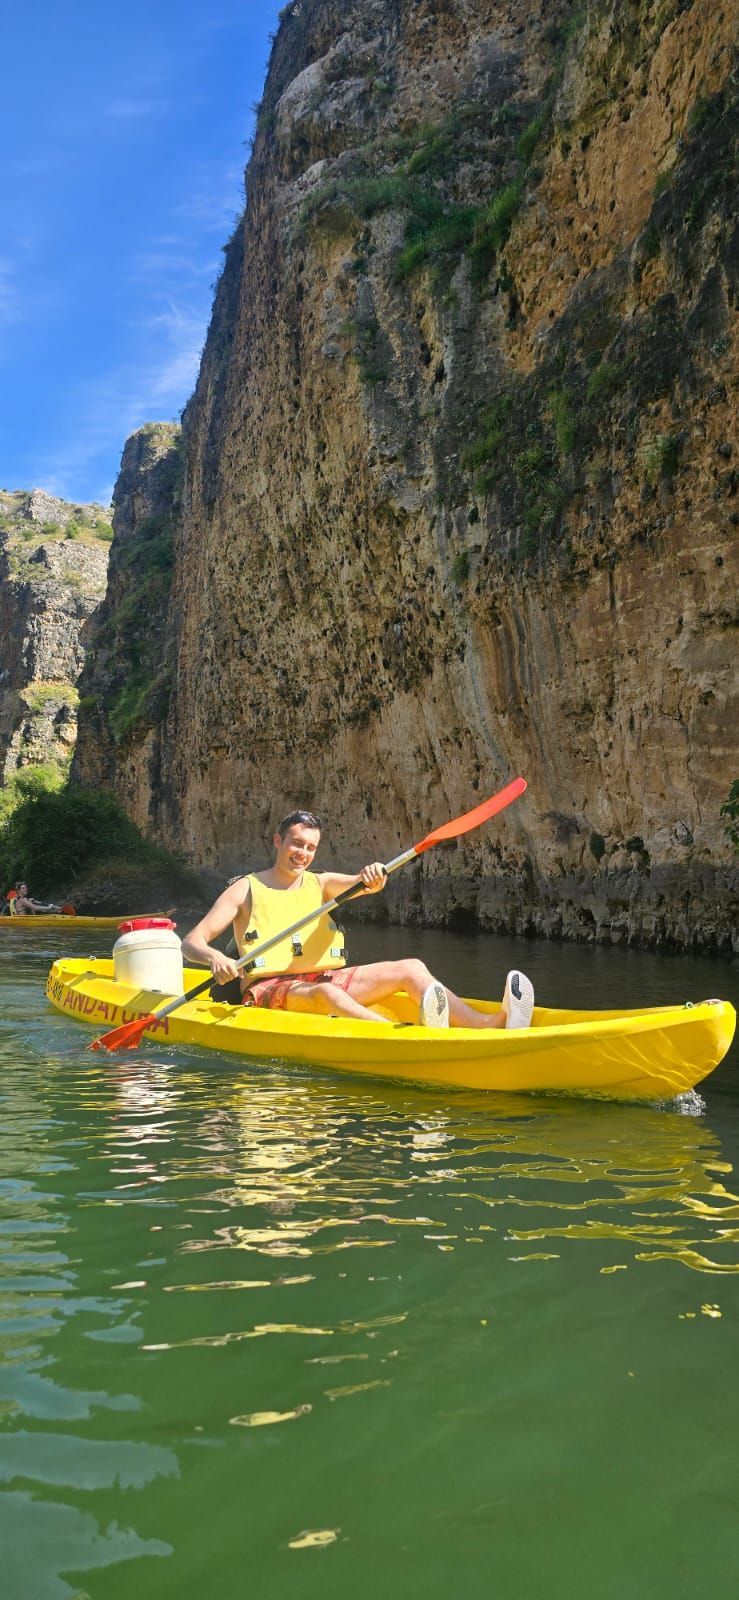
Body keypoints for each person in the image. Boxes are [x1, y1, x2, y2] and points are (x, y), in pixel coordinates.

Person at [182, 809, 534, 1030]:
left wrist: (373, 876)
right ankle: (405, 1039)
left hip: (323, 976)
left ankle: (488, 1025)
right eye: (296, 843)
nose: (302, 853)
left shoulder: (320, 883)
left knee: (410, 966)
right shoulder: (245, 889)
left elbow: (361, 884)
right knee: (327, 994)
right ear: (278, 841)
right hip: (266, 989)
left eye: (310, 847)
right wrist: (216, 958)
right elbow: (192, 943)